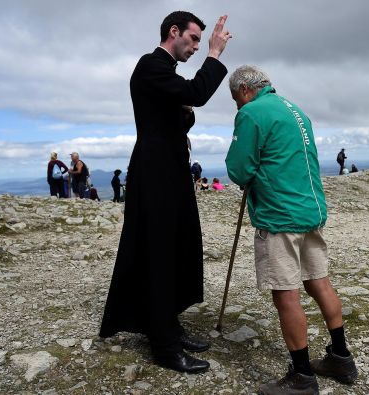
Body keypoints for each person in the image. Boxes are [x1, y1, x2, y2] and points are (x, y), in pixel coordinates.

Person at [99, 11, 231, 374]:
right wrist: (215, 55)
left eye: (201, 44)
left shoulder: (165, 72)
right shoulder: (150, 65)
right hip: (155, 173)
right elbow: (197, 93)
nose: (195, 47)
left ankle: (168, 324)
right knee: (158, 251)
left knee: (176, 247)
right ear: (174, 32)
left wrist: (183, 112)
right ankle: (164, 346)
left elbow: (178, 110)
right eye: (192, 39)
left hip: (169, 172)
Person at [225, 65, 358, 394]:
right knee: (319, 282)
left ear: (244, 90)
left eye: (235, 100)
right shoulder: (296, 110)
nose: (237, 107)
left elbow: (239, 169)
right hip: (310, 209)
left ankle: (302, 376)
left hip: (279, 214)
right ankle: (341, 357)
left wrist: (249, 171)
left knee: (285, 292)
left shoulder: (252, 113)